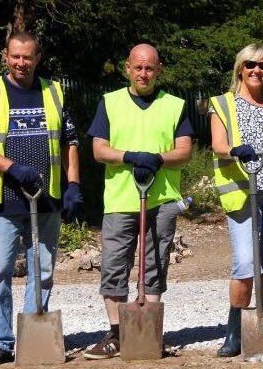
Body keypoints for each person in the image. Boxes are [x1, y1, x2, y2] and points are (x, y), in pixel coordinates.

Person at [0, 31, 83, 366]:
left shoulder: (54, 91)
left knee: (42, 270)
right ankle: (0, 342)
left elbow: (70, 140)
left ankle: (32, 334)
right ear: (6, 56)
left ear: (37, 58)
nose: (21, 63)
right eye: (15, 56)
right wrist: (12, 168)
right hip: (2, 201)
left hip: (46, 200)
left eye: (27, 57)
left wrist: (73, 184)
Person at [81, 44, 195, 359]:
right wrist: (130, 156)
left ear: (159, 70)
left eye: (150, 68)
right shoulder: (110, 102)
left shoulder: (174, 105)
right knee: (114, 264)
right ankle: (118, 333)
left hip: (161, 199)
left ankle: (148, 332)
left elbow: (184, 151)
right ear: (128, 68)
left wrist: (158, 158)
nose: (144, 74)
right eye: (138, 68)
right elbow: (99, 149)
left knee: (155, 264)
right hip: (120, 200)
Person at [208, 44, 263, 357]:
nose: (256, 70)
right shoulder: (222, 104)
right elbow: (218, 144)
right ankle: (234, 331)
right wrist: (235, 151)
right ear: (240, 69)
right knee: (246, 263)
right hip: (242, 194)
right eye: (250, 65)